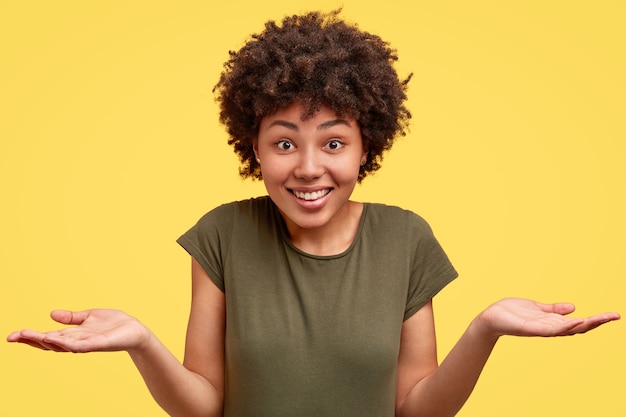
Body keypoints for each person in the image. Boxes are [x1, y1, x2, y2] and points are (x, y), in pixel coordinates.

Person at [6, 10, 620, 417]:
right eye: (283, 143)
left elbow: (416, 408)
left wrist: (485, 329)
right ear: (255, 149)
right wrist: (142, 343)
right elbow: (205, 404)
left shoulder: (406, 237)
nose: (306, 167)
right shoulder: (223, 233)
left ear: (365, 147)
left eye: (332, 142)